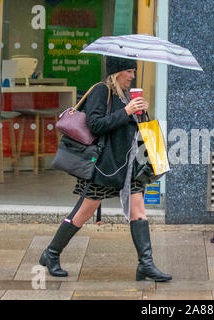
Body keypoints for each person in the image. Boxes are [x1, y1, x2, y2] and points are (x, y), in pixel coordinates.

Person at [39, 56, 172, 282]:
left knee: (138, 210)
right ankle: (51, 254)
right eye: (128, 71)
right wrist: (127, 111)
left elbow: (129, 128)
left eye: (133, 71)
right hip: (105, 167)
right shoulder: (102, 91)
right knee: (84, 213)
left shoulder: (127, 95)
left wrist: (141, 112)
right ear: (116, 71)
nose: (131, 76)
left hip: (129, 166)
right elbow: (96, 124)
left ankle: (146, 265)